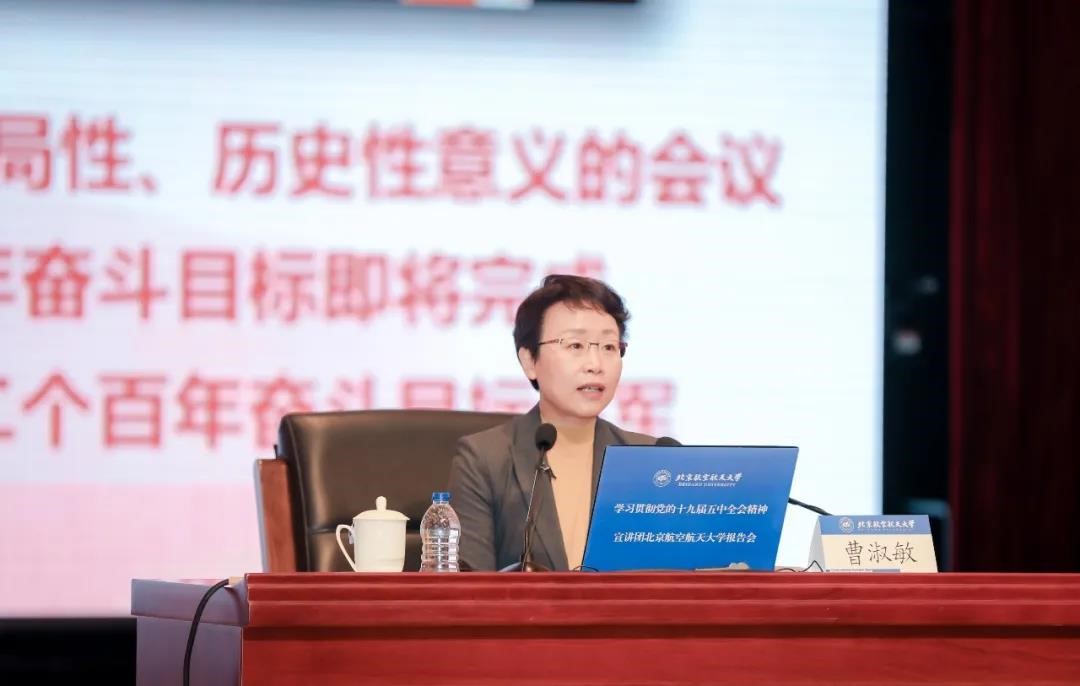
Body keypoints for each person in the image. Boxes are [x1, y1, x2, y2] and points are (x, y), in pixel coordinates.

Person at [448, 274, 655, 572]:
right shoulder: (484, 459)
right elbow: (471, 584)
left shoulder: (649, 459)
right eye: (575, 345)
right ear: (529, 361)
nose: (595, 364)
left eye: (609, 347)